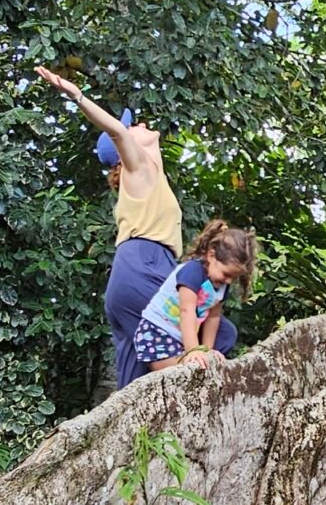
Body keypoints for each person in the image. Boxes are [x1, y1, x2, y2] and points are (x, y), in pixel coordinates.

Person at [33, 66, 240, 388]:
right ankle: (193, 387)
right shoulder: (138, 168)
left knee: (133, 383)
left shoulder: (151, 177)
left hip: (133, 273)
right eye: (134, 126)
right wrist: (77, 96)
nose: (140, 125)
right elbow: (117, 131)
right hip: (143, 266)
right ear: (125, 148)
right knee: (217, 336)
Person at [135, 220, 255, 370]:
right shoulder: (192, 271)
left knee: (202, 365)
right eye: (226, 274)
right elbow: (187, 311)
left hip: (179, 337)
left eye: (234, 277)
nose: (229, 281)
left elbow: (213, 317)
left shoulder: (222, 284)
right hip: (157, 333)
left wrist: (206, 351)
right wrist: (193, 350)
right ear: (211, 255)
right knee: (185, 371)